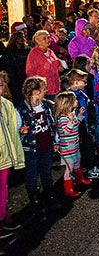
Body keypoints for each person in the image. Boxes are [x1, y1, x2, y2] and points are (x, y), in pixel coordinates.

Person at [17, 77, 57, 207]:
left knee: (46, 170)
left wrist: (55, 141)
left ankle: (49, 192)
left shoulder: (46, 104)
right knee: (32, 173)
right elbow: (17, 128)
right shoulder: (22, 109)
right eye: (43, 89)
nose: (46, 90)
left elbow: (52, 125)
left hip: (46, 145)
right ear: (34, 92)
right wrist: (21, 131)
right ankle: (33, 195)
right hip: (31, 148)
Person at [66, 69, 99, 179]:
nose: (85, 83)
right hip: (77, 130)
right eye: (83, 81)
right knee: (84, 151)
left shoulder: (81, 94)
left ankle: (86, 169)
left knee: (88, 148)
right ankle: (87, 170)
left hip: (85, 126)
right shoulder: (69, 97)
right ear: (76, 82)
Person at [0, 72, 25, 233]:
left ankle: (3, 216)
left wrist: (20, 130)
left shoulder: (6, 104)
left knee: (3, 187)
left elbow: (13, 126)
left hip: (5, 155)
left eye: (1, 84)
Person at [55, 91, 92, 197]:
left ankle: (80, 179)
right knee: (69, 168)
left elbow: (76, 124)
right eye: (75, 100)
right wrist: (71, 120)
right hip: (67, 148)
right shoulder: (62, 118)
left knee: (77, 163)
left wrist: (79, 115)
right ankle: (68, 188)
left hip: (75, 145)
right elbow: (66, 131)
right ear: (68, 103)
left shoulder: (72, 114)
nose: (77, 102)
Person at [25, 30, 63, 100]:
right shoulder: (33, 54)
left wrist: (59, 66)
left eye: (48, 37)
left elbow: (55, 65)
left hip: (55, 88)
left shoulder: (50, 51)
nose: (48, 40)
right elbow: (29, 72)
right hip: (43, 90)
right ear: (38, 41)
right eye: (44, 38)